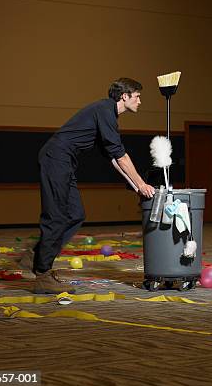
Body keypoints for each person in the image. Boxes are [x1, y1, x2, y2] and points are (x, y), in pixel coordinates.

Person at [26, 78, 155, 294]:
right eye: (138, 96)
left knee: (76, 214)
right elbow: (121, 156)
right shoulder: (105, 110)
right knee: (56, 215)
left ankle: (38, 255)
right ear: (125, 96)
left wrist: (135, 186)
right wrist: (142, 184)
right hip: (56, 158)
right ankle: (42, 274)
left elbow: (113, 158)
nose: (140, 101)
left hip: (65, 162)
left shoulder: (108, 115)